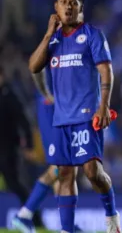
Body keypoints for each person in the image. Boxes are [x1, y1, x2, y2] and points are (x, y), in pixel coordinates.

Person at [28, 0, 121, 233]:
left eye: (74, 1)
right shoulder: (54, 40)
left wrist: (104, 105)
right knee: (65, 174)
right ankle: (67, 230)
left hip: (86, 116)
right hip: (60, 119)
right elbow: (34, 67)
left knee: (92, 172)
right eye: (63, 1)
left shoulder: (92, 35)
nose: (68, 5)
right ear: (55, 8)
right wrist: (48, 34)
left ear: (81, 7)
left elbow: (106, 70)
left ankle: (111, 214)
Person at [12, 68, 83, 233]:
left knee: (64, 172)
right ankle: (24, 214)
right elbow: (37, 68)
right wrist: (47, 94)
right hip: (52, 116)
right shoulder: (55, 49)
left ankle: (67, 224)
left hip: (59, 116)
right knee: (59, 169)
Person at [0, 65, 45, 229]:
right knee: (17, 185)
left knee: (17, 185)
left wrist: (28, 145)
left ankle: (36, 218)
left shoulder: (9, 95)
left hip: (8, 150)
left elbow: (23, 121)